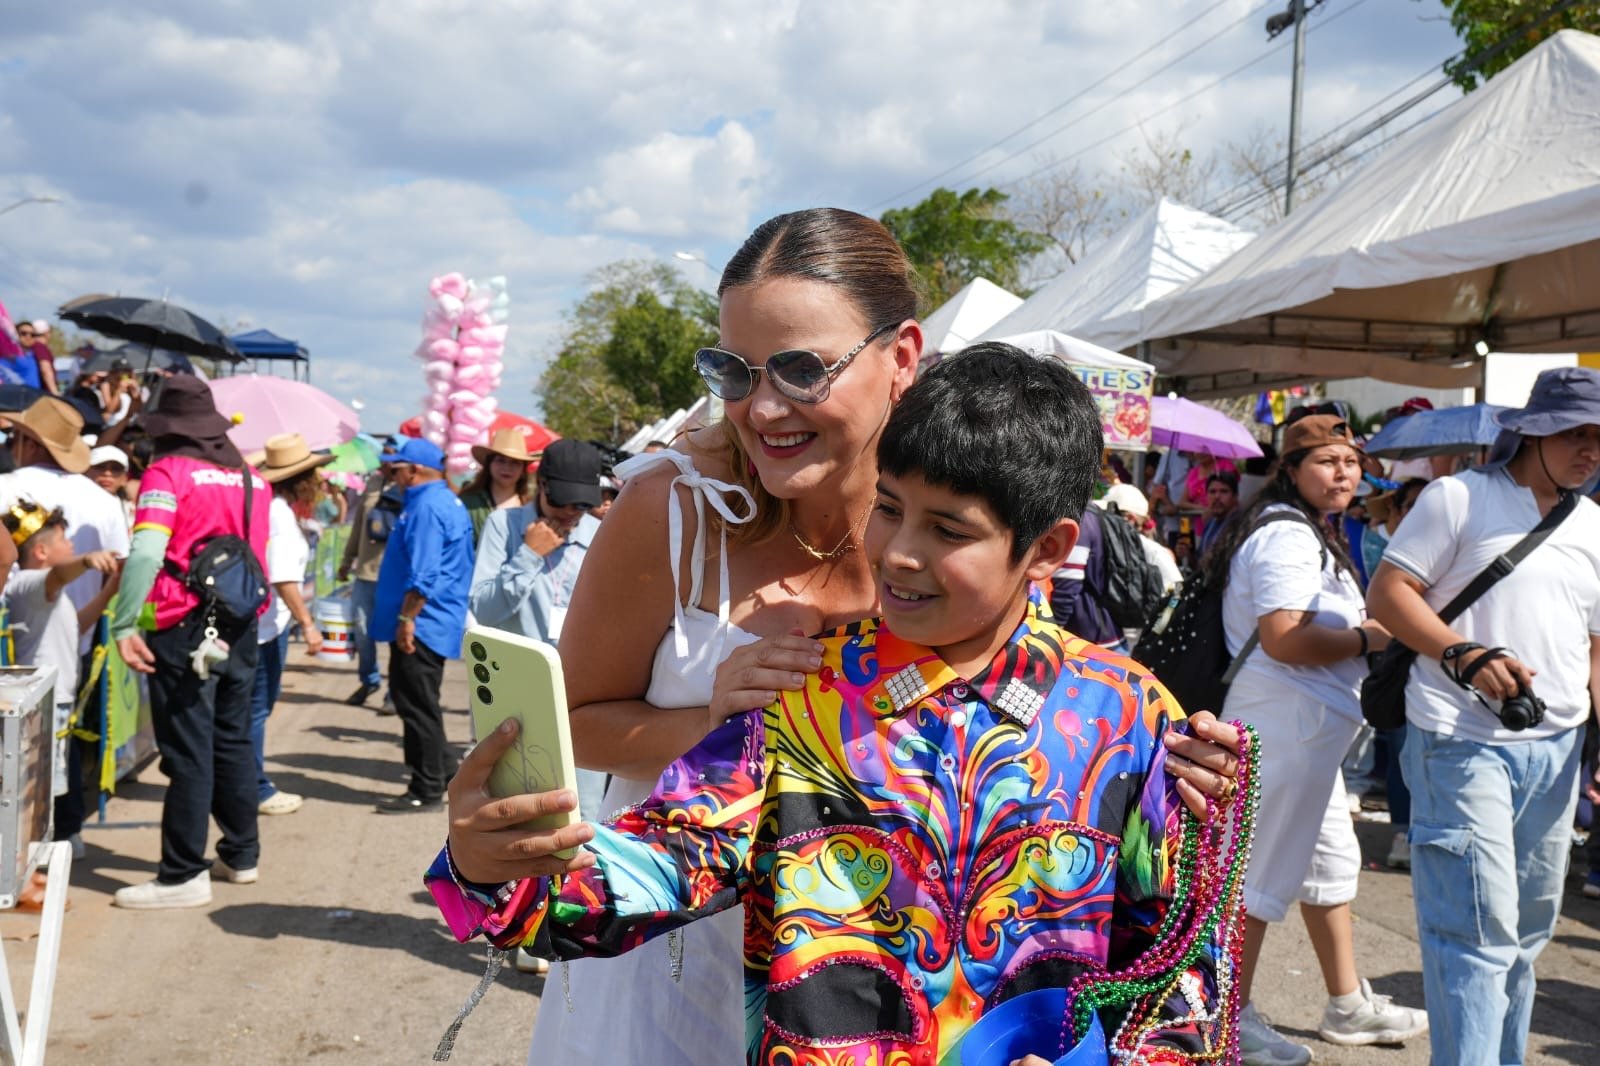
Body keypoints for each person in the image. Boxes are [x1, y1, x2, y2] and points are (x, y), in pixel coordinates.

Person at [441, 207, 1242, 1066]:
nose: (900, 552)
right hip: (681, 1000)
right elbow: (652, 864)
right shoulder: (804, 698)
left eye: (950, 529)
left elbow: (1180, 976)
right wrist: (487, 868)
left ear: (1045, 550)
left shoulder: (1126, 717)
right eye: (738, 372)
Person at [1366, 366, 1600, 1066]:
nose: (1591, 450)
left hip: (1556, 748)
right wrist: (1461, 652)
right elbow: (1388, 593)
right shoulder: (1458, 498)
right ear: (1532, 432)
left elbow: (1593, 646)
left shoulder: (1593, 524)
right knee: (1474, 934)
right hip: (1459, 741)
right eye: (1576, 433)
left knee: (1527, 935)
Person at [1211, 412, 1428, 1065]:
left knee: (1330, 866)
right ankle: (1229, 1018)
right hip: (1284, 725)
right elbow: (1285, 637)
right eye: (1327, 462)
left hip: (1309, 733)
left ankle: (1346, 1002)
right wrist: (1372, 637)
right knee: (1262, 873)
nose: (1344, 472)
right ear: (1293, 470)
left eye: (1351, 462)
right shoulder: (1286, 537)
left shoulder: (1309, 532)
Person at [109, 375, 272, 909]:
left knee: (187, 750)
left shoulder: (167, 472)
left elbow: (147, 552)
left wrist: (123, 623)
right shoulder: (251, 479)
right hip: (243, 622)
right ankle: (241, 855)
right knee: (232, 740)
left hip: (183, 624)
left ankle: (182, 875)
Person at [468, 438, 606, 818]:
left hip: (579, 692)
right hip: (514, 689)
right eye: (563, 501)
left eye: (582, 504)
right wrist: (528, 556)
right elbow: (484, 608)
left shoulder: (601, 534)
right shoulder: (504, 525)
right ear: (541, 484)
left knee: (582, 810)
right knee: (509, 805)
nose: (571, 514)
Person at [1, 500, 120, 859]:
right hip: (42, 704)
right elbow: (58, 575)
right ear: (41, 551)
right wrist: (86, 562)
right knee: (36, 785)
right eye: (65, 543)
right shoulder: (30, 583)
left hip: (57, 700)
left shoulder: (47, 593)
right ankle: (33, 856)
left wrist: (109, 590)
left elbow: (77, 626)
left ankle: (51, 845)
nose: (72, 548)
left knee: (53, 779)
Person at [370, 437, 473, 813]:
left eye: (395, 468)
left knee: (416, 704)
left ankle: (426, 787)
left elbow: (425, 574)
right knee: (418, 700)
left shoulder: (427, 507)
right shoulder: (437, 500)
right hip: (431, 619)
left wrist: (406, 619)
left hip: (423, 622)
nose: (391, 474)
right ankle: (442, 768)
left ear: (413, 471)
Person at [248, 434, 331, 817]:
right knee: (256, 711)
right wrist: (308, 624)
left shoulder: (279, 509)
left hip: (267, 623)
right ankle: (255, 787)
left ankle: (250, 782)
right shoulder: (279, 512)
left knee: (254, 710)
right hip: (266, 626)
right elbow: (282, 577)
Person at [338, 453, 399, 708]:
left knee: (396, 637)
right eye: (384, 458)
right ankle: (369, 679)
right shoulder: (373, 484)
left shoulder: (409, 488)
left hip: (394, 574)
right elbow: (358, 526)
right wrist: (346, 559)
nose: (387, 463)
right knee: (362, 632)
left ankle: (394, 692)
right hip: (365, 572)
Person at [1099, 481, 1182, 594]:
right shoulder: (1100, 547)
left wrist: (1165, 612)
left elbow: (1177, 590)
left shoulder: (1154, 553)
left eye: (1106, 515)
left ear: (1129, 519)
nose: (1100, 520)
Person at [458, 428, 536, 544]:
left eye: (515, 462)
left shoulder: (533, 507)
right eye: (501, 460)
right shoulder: (468, 501)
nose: (507, 467)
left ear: (523, 470)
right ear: (489, 464)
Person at [88, 444, 137, 528]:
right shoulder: (73, 504)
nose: (107, 473)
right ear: (87, 472)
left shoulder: (132, 512)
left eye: (115, 469)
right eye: (100, 467)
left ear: (125, 478)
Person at [1196, 470, 1240, 559]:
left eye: (1224, 491)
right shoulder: (1210, 523)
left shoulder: (1240, 525)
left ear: (1235, 496)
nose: (1217, 497)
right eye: (1212, 492)